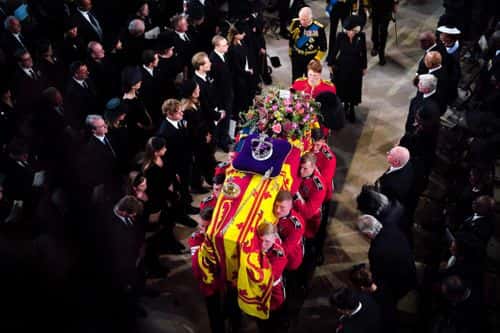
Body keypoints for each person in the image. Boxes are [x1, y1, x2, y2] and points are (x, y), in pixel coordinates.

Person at [328, 15, 367, 123]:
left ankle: (351, 108)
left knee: (353, 87)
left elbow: (363, 53)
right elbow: (334, 50)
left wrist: (364, 67)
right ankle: (344, 106)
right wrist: (330, 64)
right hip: (343, 65)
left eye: (352, 30)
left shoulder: (361, 37)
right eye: (348, 30)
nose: (349, 33)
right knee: (343, 86)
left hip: (356, 65)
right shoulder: (340, 36)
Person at [180, 79, 214, 193]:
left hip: (202, 138)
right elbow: (192, 130)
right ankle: (196, 186)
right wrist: (204, 138)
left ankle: (206, 179)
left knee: (204, 161)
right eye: (197, 88)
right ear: (192, 92)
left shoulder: (195, 103)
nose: (199, 89)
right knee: (197, 165)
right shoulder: (187, 110)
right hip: (196, 143)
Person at [255, 222, 288, 333]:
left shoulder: (279, 255)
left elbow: (269, 278)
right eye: (261, 240)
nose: (263, 245)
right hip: (259, 293)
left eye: (267, 241)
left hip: (274, 294)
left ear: (274, 238)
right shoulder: (259, 247)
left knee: (273, 323)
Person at [288, 6, 327, 81]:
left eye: (304, 20)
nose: (302, 22)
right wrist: (291, 53)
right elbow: (291, 40)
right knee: (296, 78)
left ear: (310, 18)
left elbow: (323, 47)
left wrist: (316, 59)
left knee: (310, 80)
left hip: (310, 58)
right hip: (297, 56)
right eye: (301, 19)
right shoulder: (295, 23)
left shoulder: (318, 28)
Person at [370, 0, 398, 65]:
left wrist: (395, 4)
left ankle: (381, 52)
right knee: (375, 30)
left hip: (386, 11)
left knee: (383, 31)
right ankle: (375, 46)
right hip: (375, 9)